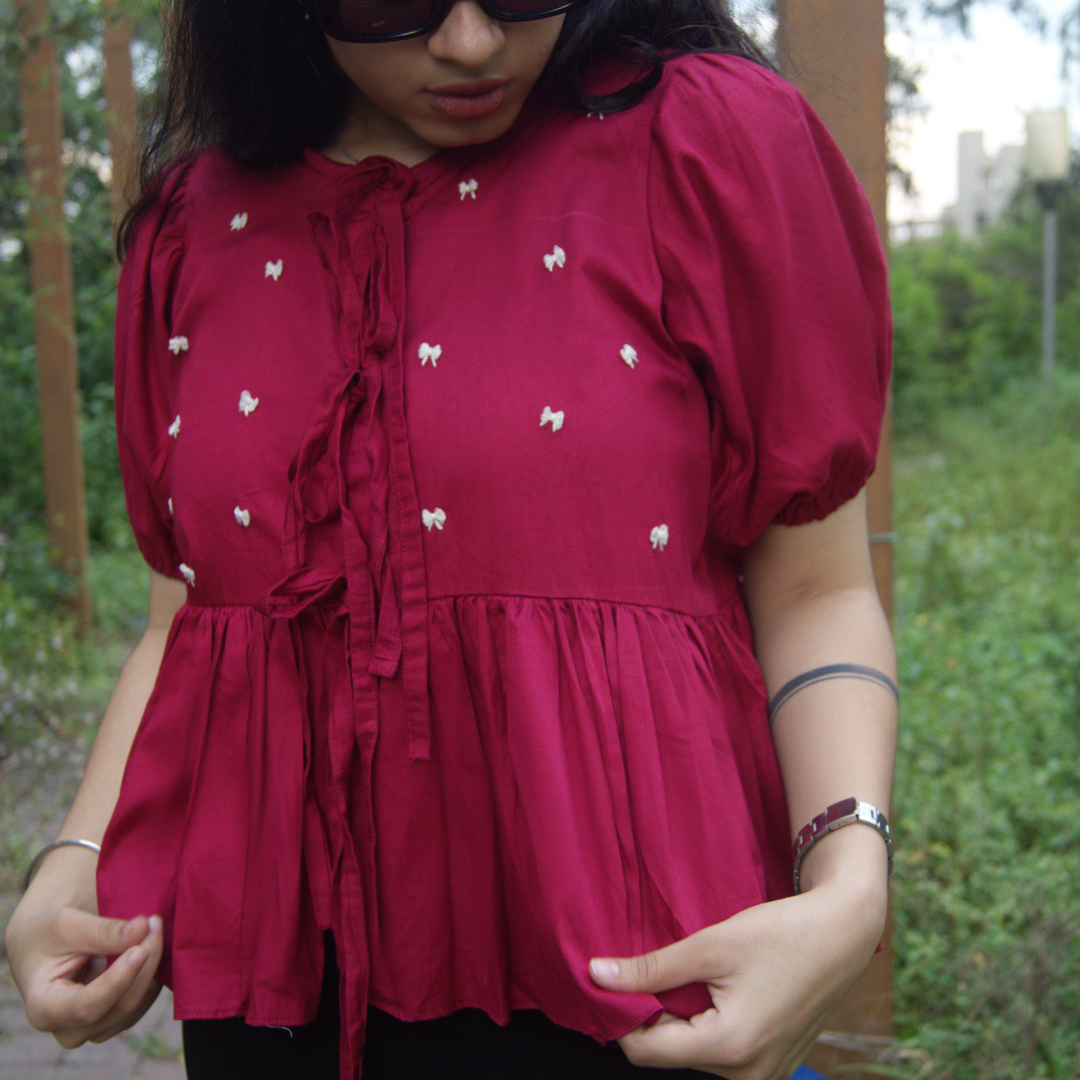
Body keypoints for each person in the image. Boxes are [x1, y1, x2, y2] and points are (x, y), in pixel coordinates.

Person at [5, 0, 898, 1076]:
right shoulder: (199, 221)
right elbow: (195, 619)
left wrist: (849, 887)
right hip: (281, 1006)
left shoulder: (706, 144)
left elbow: (814, 589)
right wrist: (71, 864)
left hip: (641, 987)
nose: (472, 43)